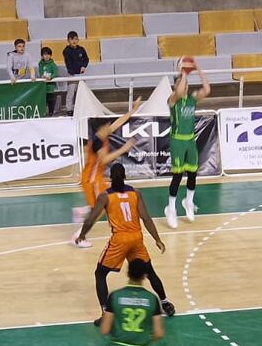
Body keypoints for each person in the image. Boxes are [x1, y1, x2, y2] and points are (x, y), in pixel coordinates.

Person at [75, 163, 176, 322]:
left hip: (120, 240)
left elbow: (91, 219)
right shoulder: (135, 193)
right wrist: (157, 239)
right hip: (136, 238)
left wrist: (82, 234)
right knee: (149, 272)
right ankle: (165, 303)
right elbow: (146, 217)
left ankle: (105, 314)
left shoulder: (105, 196)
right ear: (125, 176)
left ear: (110, 178)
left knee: (100, 274)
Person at [72, 97, 142, 246]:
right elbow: (104, 160)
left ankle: (81, 212)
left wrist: (133, 110)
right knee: (100, 209)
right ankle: (79, 236)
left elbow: (118, 122)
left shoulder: (102, 134)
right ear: (100, 129)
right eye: (107, 126)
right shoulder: (97, 142)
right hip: (92, 180)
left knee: (100, 206)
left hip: (94, 178)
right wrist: (124, 148)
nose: (109, 127)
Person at [164, 62, 211, 228]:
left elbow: (207, 89)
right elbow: (178, 92)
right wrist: (184, 72)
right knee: (177, 176)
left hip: (190, 140)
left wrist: (199, 69)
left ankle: (188, 202)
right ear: (175, 86)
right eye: (181, 83)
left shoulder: (192, 99)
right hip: (177, 141)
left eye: (186, 83)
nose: (185, 86)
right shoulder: (172, 100)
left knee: (192, 174)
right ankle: (171, 209)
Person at [62, 31, 89, 115]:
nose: (74, 41)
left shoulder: (81, 49)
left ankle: (81, 108)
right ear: (68, 40)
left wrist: (84, 66)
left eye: (76, 39)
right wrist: (72, 73)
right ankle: (69, 110)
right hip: (72, 75)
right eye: (72, 39)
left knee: (81, 93)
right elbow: (68, 63)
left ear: (78, 40)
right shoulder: (66, 51)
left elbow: (86, 59)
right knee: (71, 93)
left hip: (81, 75)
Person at [37, 46, 60, 116]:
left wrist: (51, 77)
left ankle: (51, 112)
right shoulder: (40, 64)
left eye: (48, 54)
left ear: (50, 55)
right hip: (43, 87)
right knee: (43, 100)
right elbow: (40, 72)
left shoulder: (53, 64)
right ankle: (43, 113)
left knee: (51, 100)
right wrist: (42, 76)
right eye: (45, 54)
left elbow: (56, 73)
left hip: (50, 87)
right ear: (42, 56)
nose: (47, 56)